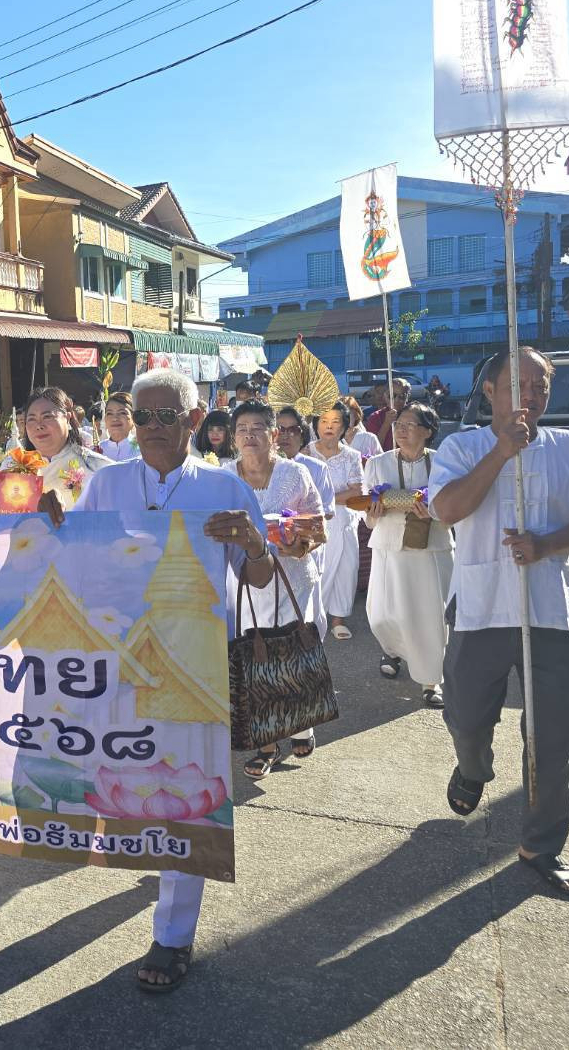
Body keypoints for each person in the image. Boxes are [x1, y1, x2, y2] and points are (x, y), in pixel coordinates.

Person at [41, 367, 274, 994]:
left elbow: (260, 576)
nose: (149, 428)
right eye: (141, 416)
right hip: (121, 663)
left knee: (186, 794)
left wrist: (253, 543)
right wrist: (53, 529)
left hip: (196, 671)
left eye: (165, 416)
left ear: (194, 421)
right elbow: (77, 560)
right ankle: (156, 869)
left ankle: (173, 935)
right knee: (122, 782)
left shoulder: (223, 487)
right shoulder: (107, 483)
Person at [430, 347, 569, 899]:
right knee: (466, 718)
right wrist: (501, 452)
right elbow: (446, 510)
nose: (533, 394)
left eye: (541, 385)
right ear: (489, 390)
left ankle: (541, 846)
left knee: (553, 737)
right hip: (480, 608)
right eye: (519, 384)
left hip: (553, 613)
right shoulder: (461, 447)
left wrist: (545, 545)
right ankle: (473, 768)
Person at [226, 399, 327, 779]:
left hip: (292, 578)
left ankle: (302, 723)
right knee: (255, 658)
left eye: (257, 428)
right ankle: (266, 744)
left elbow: (318, 527)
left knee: (292, 651)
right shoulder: (223, 477)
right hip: (245, 582)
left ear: (273, 434)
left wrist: (298, 544)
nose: (249, 435)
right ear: (234, 437)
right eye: (242, 429)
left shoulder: (295, 474)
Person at [364, 401, 452, 708]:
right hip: (389, 545)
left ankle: (431, 679)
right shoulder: (377, 463)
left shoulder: (444, 463)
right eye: (398, 425)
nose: (400, 430)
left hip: (432, 546)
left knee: (430, 614)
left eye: (409, 425)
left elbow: (456, 508)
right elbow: (368, 516)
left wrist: (434, 512)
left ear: (427, 431)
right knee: (382, 613)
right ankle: (393, 650)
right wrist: (373, 511)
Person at [309, 403, 366, 639]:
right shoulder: (305, 454)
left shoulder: (351, 456)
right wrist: (331, 500)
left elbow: (356, 492)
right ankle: (313, 619)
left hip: (344, 520)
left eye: (335, 422)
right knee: (317, 570)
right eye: (324, 421)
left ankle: (338, 619)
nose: (329, 427)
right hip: (315, 522)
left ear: (344, 427)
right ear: (316, 425)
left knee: (346, 568)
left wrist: (323, 499)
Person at [24, 386, 112, 509]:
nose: (39, 425)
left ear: (67, 418)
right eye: (31, 419)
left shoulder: (98, 468)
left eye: (47, 416)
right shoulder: (13, 469)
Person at [364, 377, 411, 453]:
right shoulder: (375, 418)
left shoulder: (413, 416)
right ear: (385, 396)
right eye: (392, 396)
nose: (397, 400)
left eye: (402, 396)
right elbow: (373, 449)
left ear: (407, 397)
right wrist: (386, 424)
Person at [99, 391, 139, 462]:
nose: (115, 418)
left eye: (122, 413)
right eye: (110, 413)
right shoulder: (96, 450)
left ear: (133, 417)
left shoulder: (143, 449)